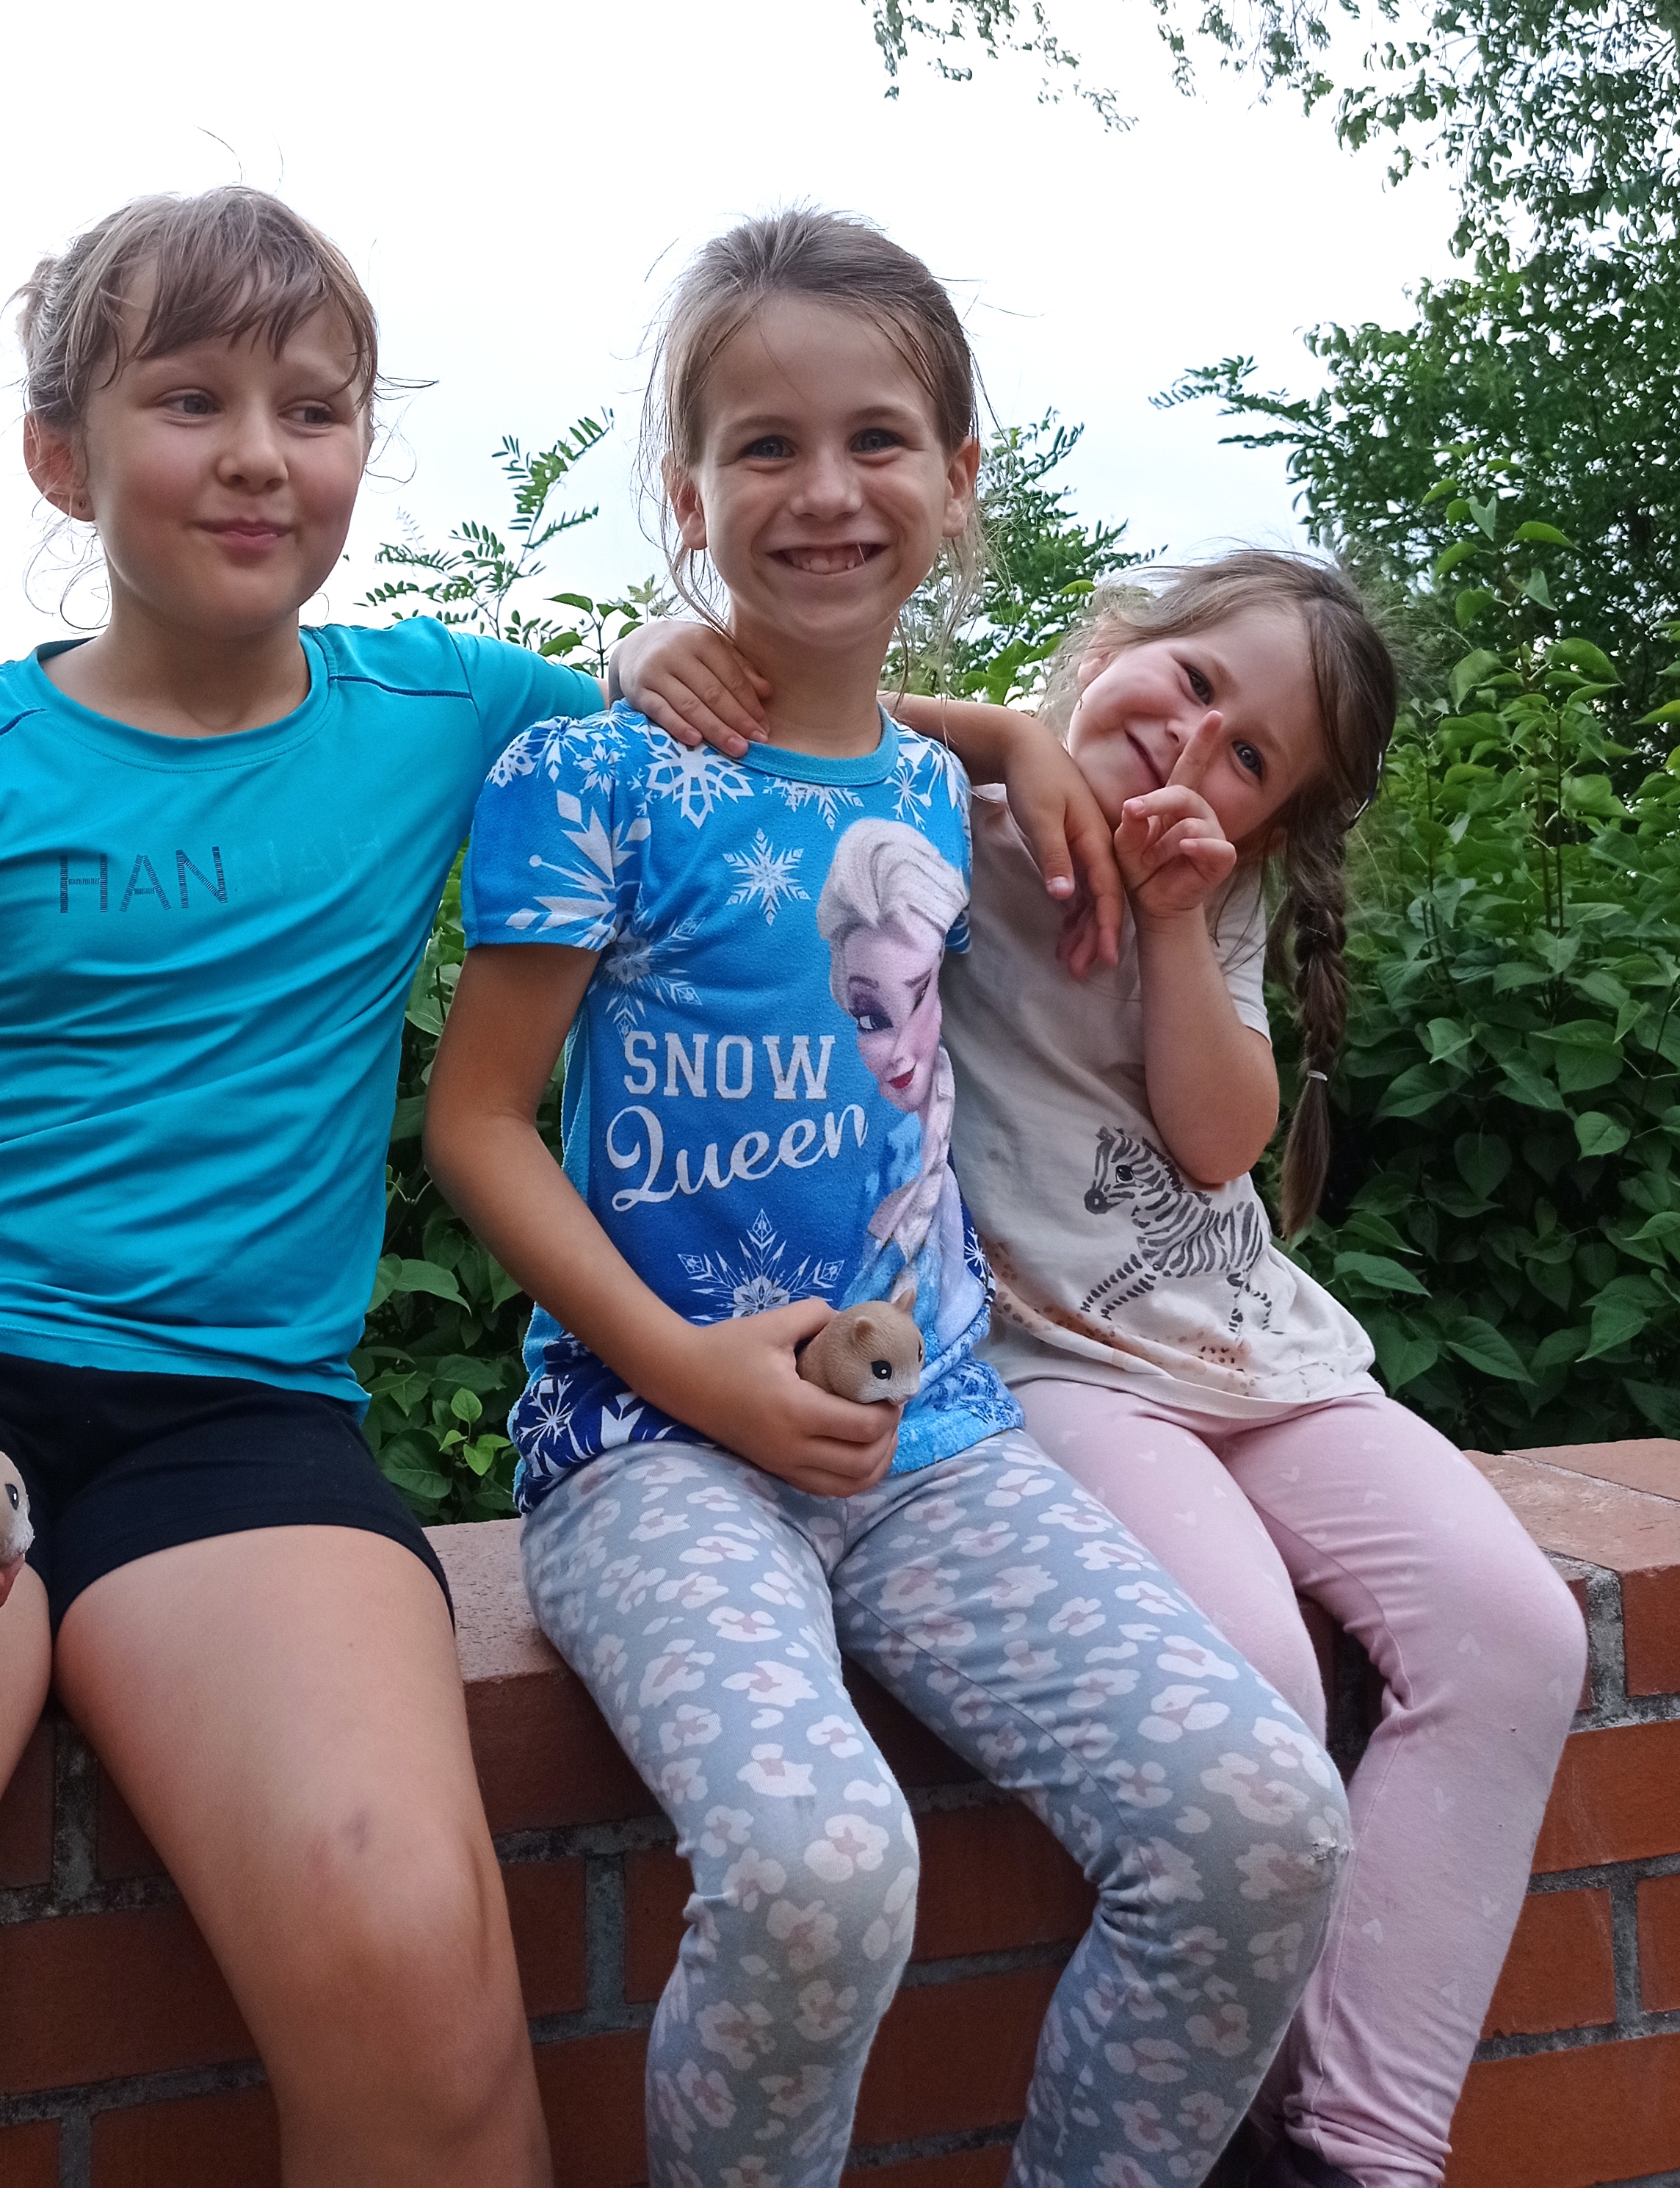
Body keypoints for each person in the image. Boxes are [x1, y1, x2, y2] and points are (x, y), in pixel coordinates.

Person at [0, 184, 754, 2188]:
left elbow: (773, 734)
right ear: (62, 454)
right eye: (189, 399)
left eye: (312, 407)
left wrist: (973, 729)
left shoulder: (450, 715)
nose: (256, 454)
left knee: (410, 1950)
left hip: (239, 1432)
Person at [424, 209, 1353, 2188]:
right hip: (648, 1457)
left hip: (943, 1452)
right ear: (687, 495)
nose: (826, 489)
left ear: (956, 479)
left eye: (876, 440)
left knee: (1263, 1820)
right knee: (821, 1872)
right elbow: (479, 1121)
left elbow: (871, 746)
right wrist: (686, 1370)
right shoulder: (595, 776)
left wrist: (1011, 727)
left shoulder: (943, 791)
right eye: (763, 446)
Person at [926, 552, 1587, 2188]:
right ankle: (1241, 2116)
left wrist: (1170, 920)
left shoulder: (1206, 893)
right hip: (1057, 1357)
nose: (1192, 743)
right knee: (1254, 1687)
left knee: (1517, 1632)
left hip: (1249, 1346)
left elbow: (1221, 1139)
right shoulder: (937, 800)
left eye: (1249, 758)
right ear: (1113, 637)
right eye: (1196, 682)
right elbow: (745, 702)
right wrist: (1003, 735)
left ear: (1271, 827)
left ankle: (1363, 2151)